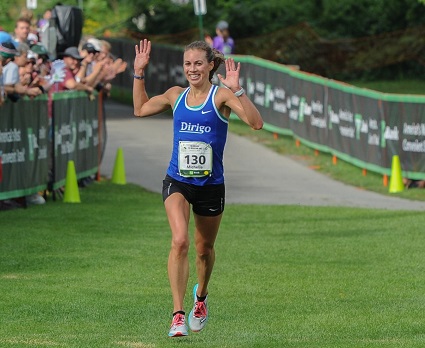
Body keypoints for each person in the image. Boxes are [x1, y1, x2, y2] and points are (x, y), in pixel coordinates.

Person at [133, 39, 263, 337]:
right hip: (177, 181)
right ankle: (178, 315)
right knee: (179, 241)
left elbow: (256, 123)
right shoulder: (175, 95)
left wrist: (238, 90)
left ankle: (200, 298)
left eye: (198, 63)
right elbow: (140, 109)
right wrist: (139, 73)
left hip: (210, 185)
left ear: (209, 66)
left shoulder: (221, 97)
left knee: (204, 249)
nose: (192, 69)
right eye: (187, 64)